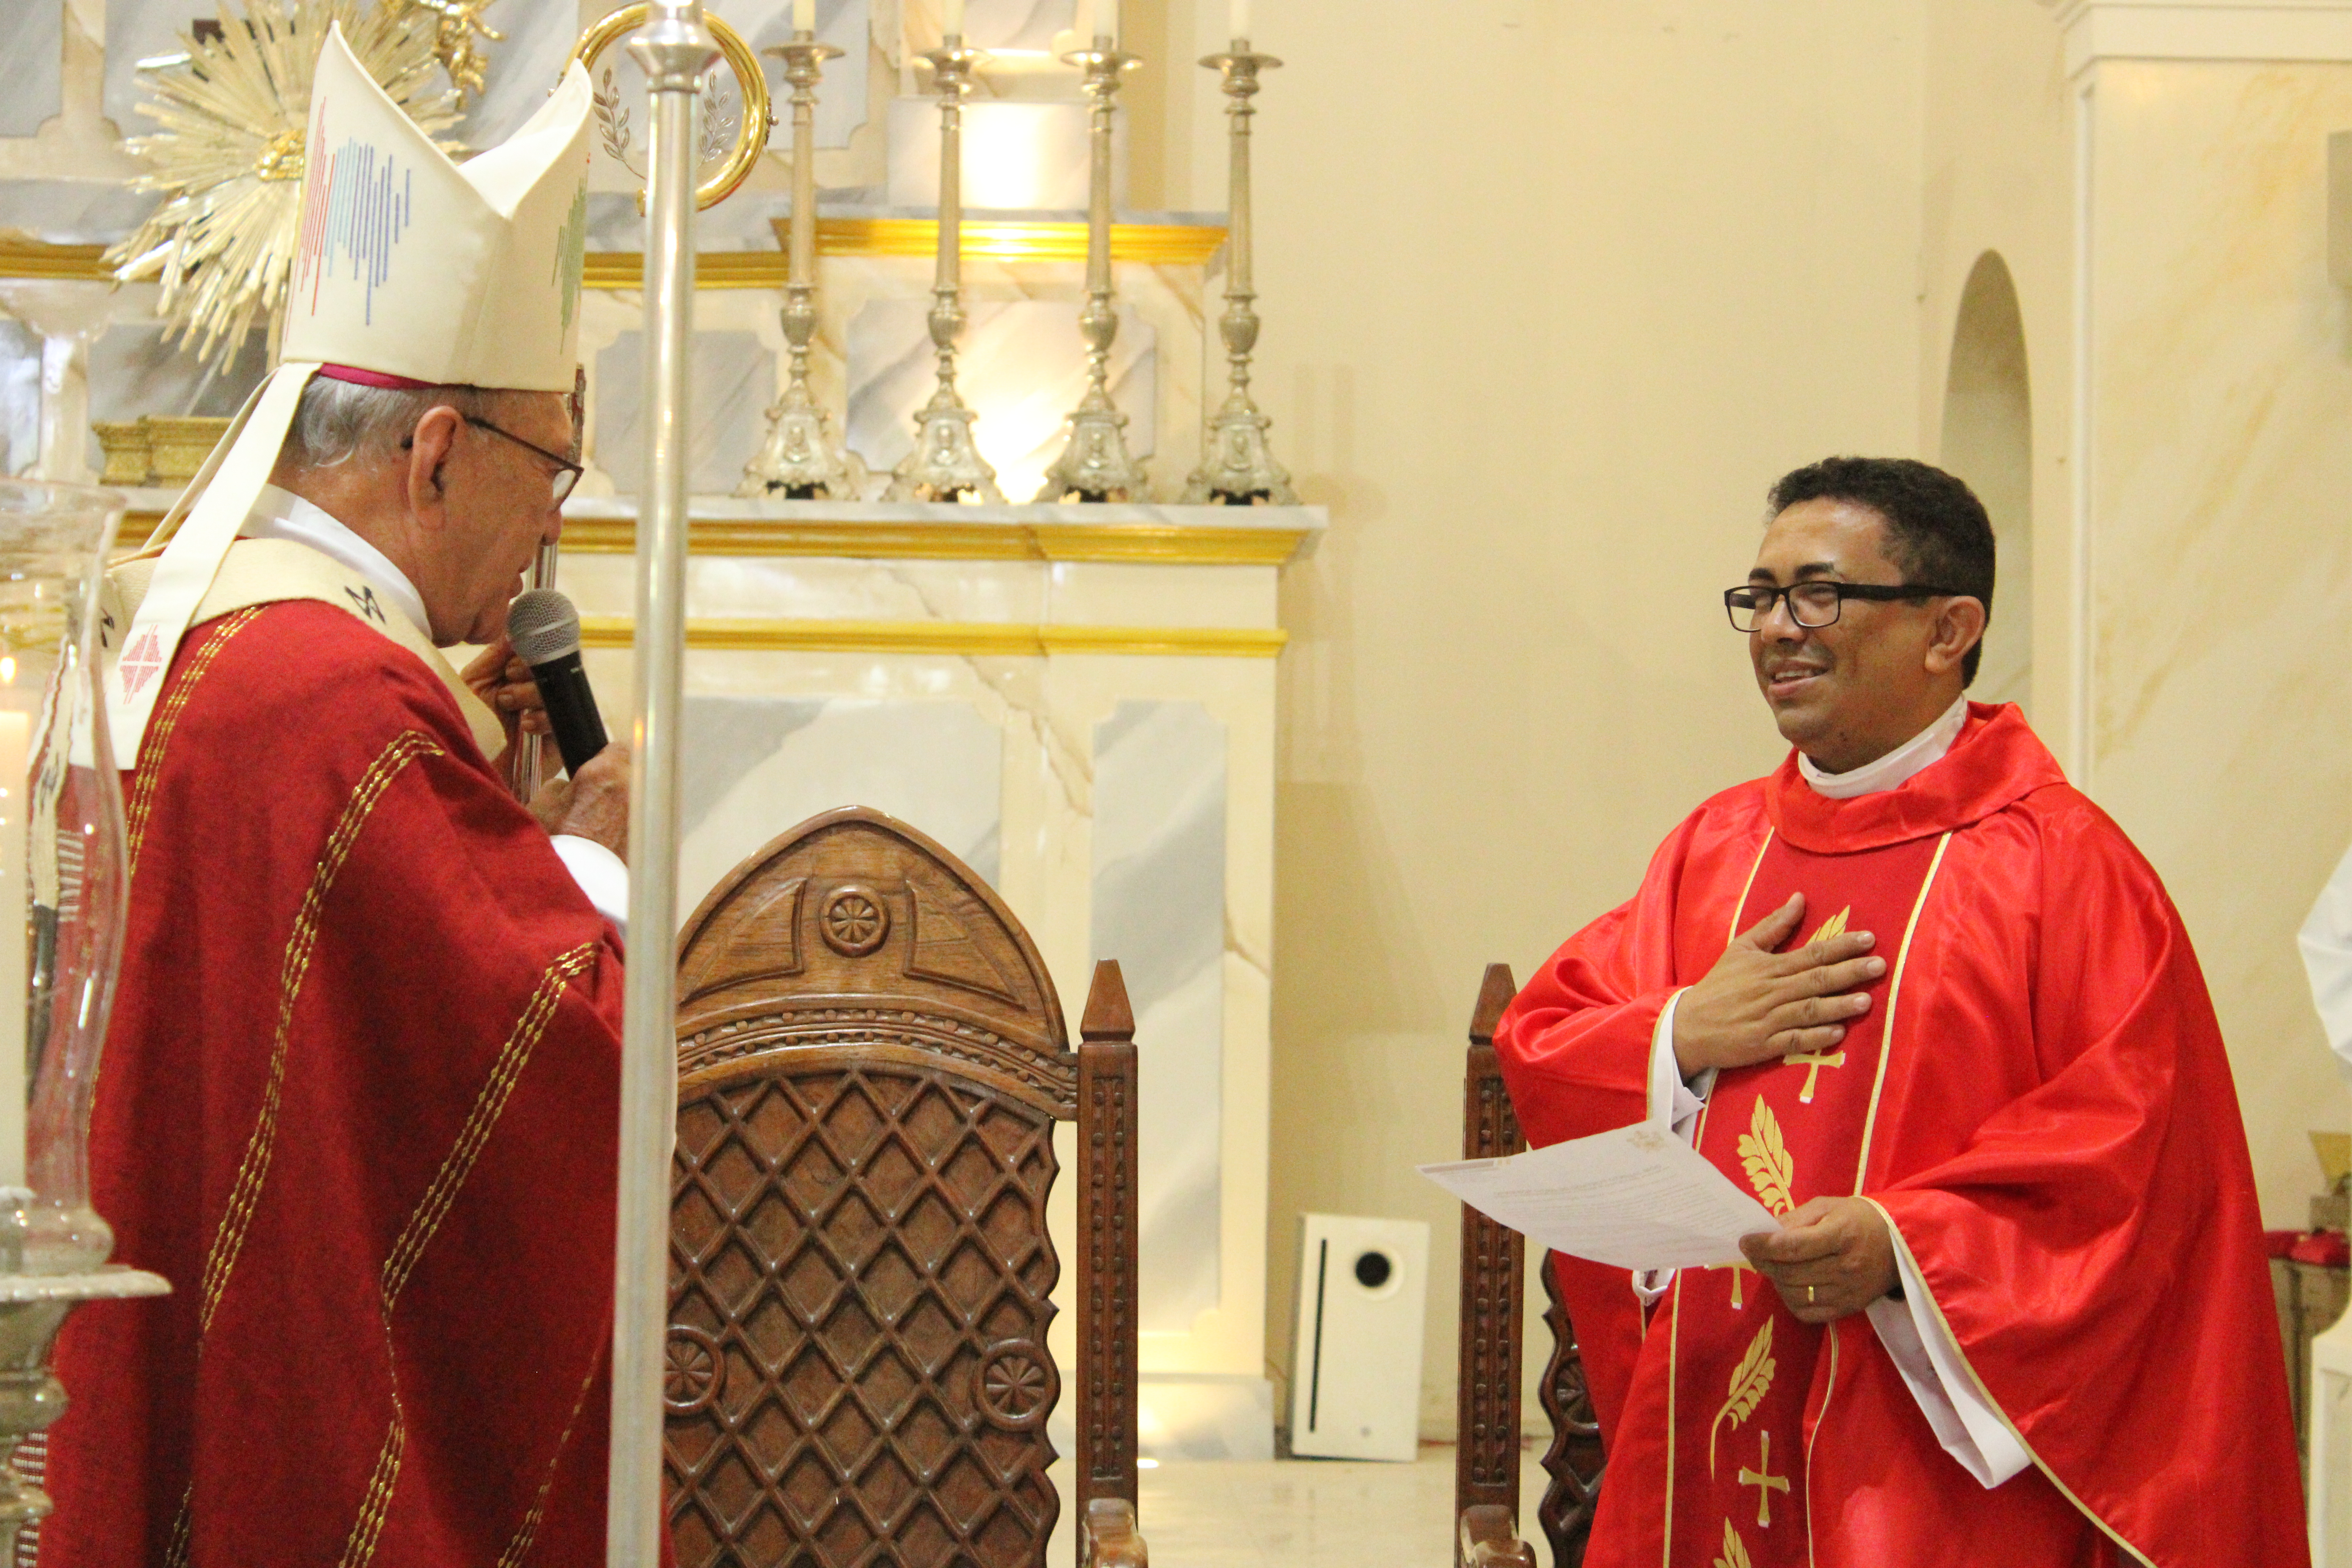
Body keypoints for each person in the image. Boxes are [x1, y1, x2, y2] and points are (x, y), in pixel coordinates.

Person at [43, 29, 636, 1566]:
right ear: (438, 451)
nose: (550, 527)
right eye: (552, 469)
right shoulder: (332, 697)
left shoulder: (222, 638)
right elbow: (529, 1048)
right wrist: (592, 876)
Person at [1494, 457, 2303, 1567]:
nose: (1780, 629)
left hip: (1933, 1458)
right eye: (1761, 596)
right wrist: (1680, 1035)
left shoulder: (2062, 871)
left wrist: (1907, 1248)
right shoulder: (1716, 848)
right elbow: (1545, 1037)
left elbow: (2140, 1171)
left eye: (1820, 593)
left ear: (1949, 629)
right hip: (1718, 1405)